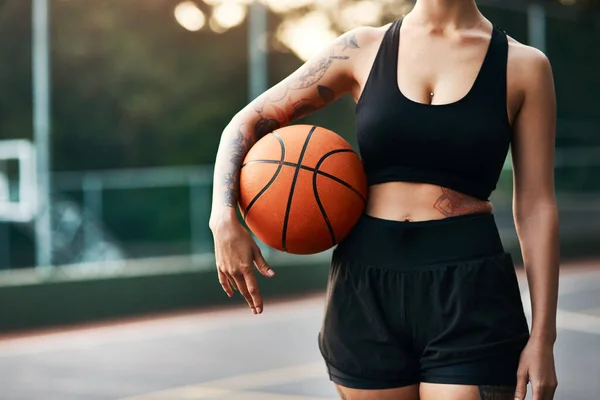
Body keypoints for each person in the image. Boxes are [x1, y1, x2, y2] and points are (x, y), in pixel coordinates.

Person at [209, 0, 559, 399]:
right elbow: (245, 122)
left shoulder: (524, 65)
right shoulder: (362, 49)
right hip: (365, 284)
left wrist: (543, 338)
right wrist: (223, 216)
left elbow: (536, 206)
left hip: (469, 287)